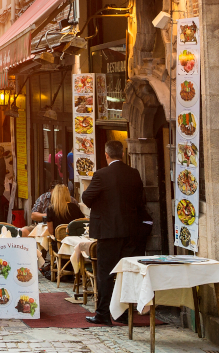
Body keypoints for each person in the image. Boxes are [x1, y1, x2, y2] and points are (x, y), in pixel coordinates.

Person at [82, 140, 149, 326]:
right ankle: (123, 313)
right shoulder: (133, 173)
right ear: (123, 154)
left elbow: (86, 198)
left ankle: (103, 313)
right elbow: (140, 200)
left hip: (108, 232)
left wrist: (103, 206)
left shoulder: (101, 175)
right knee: (127, 273)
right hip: (130, 231)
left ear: (106, 155)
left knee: (106, 273)